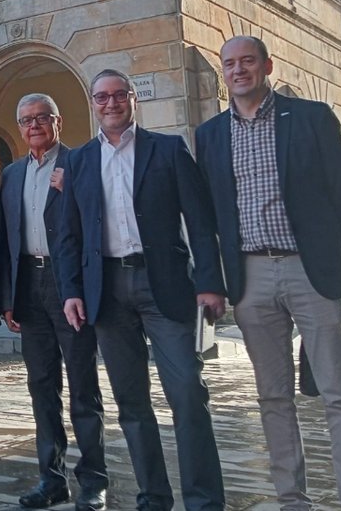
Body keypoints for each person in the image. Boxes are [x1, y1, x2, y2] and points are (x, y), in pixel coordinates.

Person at [194, 36, 341, 511]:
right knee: (273, 397)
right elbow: (209, 216)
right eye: (229, 63)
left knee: (337, 392)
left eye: (247, 61)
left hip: (308, 271)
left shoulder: (311, 118)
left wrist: (326, 257)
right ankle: (292, 500)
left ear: (267, 66)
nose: (238, 70)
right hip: (251, 279)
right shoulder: (210, 134)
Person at [55, 70, 226, 511]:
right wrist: (72, 289)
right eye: (101, 97)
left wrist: (209, 283)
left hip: (164, 283)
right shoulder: (79, 161)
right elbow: (68, 234)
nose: (110, 103)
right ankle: (153, 497)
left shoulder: (167, 149)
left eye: (118, 95)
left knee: (187, 391)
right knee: (131, 402)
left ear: (132, 99)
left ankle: (205, 501)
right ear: (92, 103)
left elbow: (202, 223)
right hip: (107, 290)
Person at [0, 94, 108, 510]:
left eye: (42, 117)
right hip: (28, 285)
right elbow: (6, 240)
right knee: (42, 387)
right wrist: (7, 298)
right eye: (26, 120)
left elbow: (95, 222)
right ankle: (51, 478)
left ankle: (94, 480)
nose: (34, 125)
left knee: (83, 386)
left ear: (57, 122)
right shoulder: (10, 174)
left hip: (69, 285)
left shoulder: (79, 163)